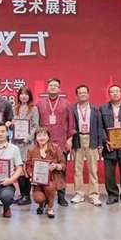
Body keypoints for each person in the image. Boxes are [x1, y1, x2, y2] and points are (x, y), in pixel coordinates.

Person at [35, 78, 75, 207]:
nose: (53, 87)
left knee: (60, 170)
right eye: (51, 85)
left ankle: (61, 197)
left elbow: (71, 122)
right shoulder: (40, 103)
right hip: (43, 142)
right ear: (47, 88)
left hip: (61, 141)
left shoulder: (66, 104)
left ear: (59, 89)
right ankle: (44, 197)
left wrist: (70, 139)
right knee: (44, 169)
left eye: (55, 86)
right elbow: (36, 123)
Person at [70, 85, 104, 206]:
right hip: (78, 139)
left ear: (88, 94)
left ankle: (94, 195)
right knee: (77, 169)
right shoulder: (72, 109)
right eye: (80, 93)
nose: (82, 94)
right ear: (77, 95)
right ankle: (79, 194)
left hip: (92, 139)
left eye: (84, 92)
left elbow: (100, 127)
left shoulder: (95, 110)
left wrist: (100, 144)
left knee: (93, 169)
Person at [24, 127, 66, 218]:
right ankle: (41, 204)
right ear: (35, 138)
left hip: (52, 179)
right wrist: (31, 174)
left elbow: (63, 165)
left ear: (48, 137)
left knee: (49, 187)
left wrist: (56, 166)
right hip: (37, 181)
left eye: (44, 135)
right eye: (39, 136)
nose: (42, 138)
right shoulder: (31, 150)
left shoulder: (55, 148)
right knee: (38, 198)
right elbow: (28, 165)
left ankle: (50, 208)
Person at [12, 86, 39, 206]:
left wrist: (28, 137)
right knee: (19, 168)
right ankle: (22, 194)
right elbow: (12, 124)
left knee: (26, 169)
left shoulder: (34, 109)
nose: (23, 96)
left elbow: (35, 126)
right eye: (21, 94)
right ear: (18, 96)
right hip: (16, 143)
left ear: (29, 96)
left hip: (28, 143)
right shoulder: (14, 108)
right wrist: (11, 124)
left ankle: (27, 196)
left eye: (26, 94)